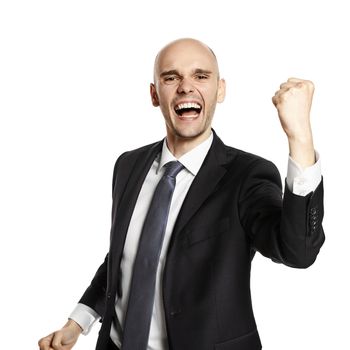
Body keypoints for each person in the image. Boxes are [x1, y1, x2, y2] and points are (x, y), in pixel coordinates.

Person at [38, 38, 324, 350]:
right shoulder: (128, 165)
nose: (186, 87)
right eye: (171, 77)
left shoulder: (247, 176)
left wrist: (300, 138)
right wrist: (78, 321)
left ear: (220, 90)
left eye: (201, 76)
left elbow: (298, 251)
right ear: (154, 94)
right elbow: (127, 258)